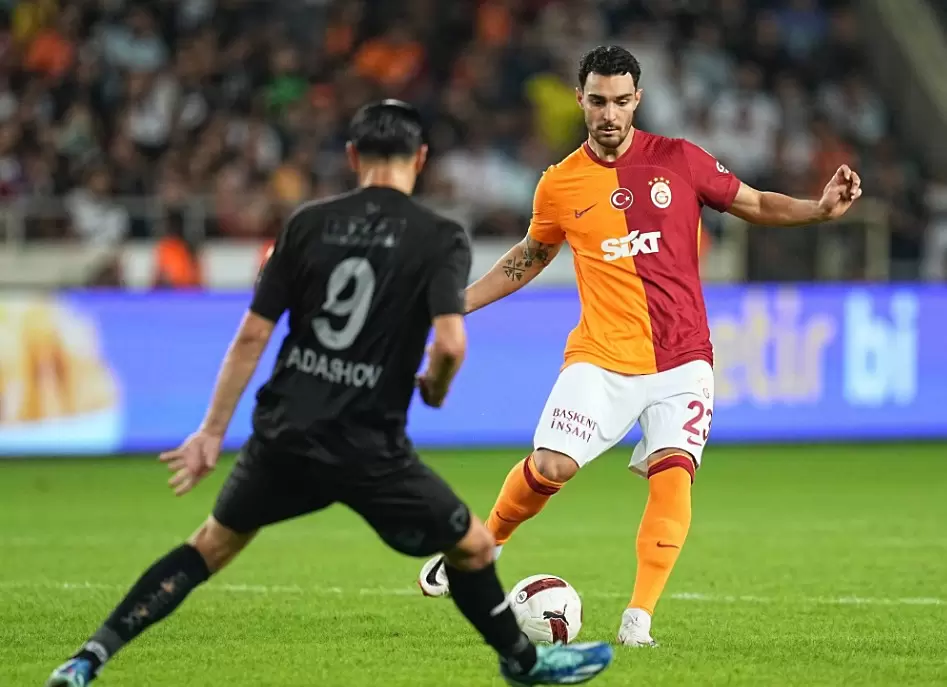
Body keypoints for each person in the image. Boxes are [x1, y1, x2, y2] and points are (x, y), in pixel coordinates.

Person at [45, 100, 613, 687]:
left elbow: (251, 336)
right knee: (472, 544)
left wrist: (211, 432)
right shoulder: (438, 237)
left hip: (286, 431)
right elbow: (449, 343)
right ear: (420, 159)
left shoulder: (306, 225)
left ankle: (88, 658)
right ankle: (523, 664)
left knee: (209, 545)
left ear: (352, 156)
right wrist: (435, 387)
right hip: (369, 444)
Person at [418, 46, 862, 647]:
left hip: (684, 360)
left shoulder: (680, 160)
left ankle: (638, 620)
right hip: (601, 358)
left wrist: (818, 210)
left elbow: (754, 202)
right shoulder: (559, 183)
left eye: (621, 101)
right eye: (598, 101)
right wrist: (460, 303)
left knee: (673, 475)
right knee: (550, 466)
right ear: (580, 99)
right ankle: (482, 546)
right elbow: (530, 256)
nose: (609, 114)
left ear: (638, 100)